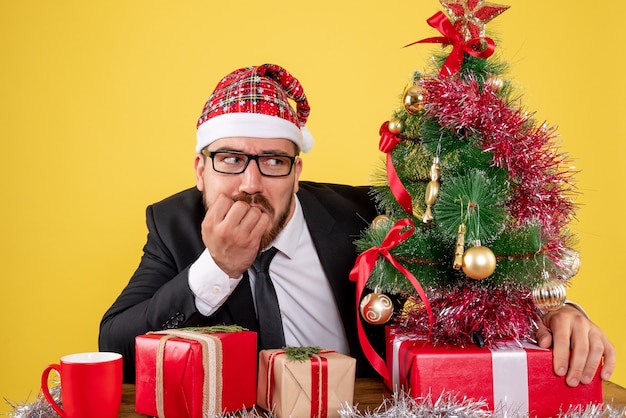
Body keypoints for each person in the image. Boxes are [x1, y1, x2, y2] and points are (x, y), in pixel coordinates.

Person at [99, 63, 616, 387]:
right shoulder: (173, 224)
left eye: (273, 161)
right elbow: (114, 350)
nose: (250, 183)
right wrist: (216, 269)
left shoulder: (366, 216)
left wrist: (554, 312)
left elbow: (471, 283)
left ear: (297, 171)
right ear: (200, 170)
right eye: (229, 159)